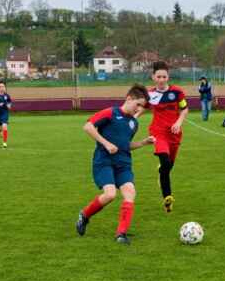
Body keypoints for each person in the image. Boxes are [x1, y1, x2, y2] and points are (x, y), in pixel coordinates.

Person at [75, 84, 155, 245]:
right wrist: (106, 143)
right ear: (128, 98)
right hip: (104, 162)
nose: (139, 109)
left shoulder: (134, 123)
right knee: (110, 194)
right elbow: (88, 126)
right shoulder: (111, 113)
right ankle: (84, 215)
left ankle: (121, 234)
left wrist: (143, 142)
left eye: (143, 106)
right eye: (138, 104)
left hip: (123, 165)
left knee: (130, 193)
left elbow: (126, 145)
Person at [140, 61, 189, 213]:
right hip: (158, 132)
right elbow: (142, 108)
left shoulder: (177, 92)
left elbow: (184, 109)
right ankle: (167, 197)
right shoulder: (151, 94)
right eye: (158, 76)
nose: (161, 79)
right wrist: (133, 117)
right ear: (153, 77)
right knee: (165, 160)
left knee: (167, 167)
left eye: (164, 76)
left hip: (174, 134)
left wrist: (179, 122)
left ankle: (162, 172)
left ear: (168, 77)